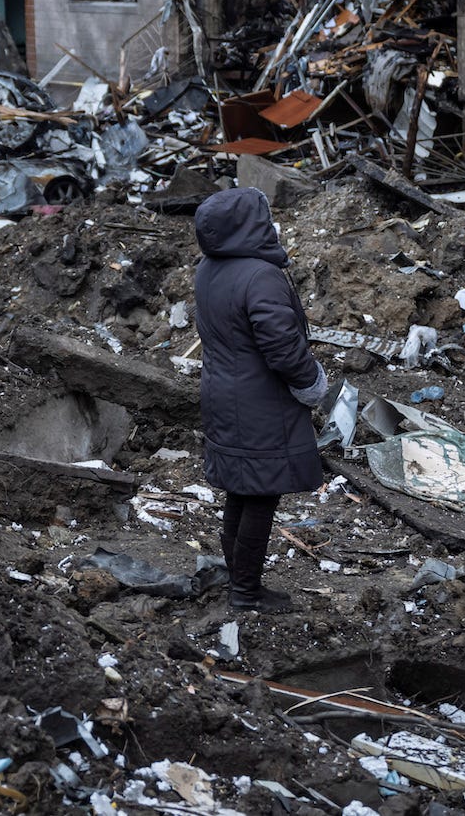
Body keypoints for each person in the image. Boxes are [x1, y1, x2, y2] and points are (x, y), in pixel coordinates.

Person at [192, 187, 327, 612]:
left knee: (241, 489)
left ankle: (239, 581)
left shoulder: (208, 269)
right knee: (262, 494)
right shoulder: (259, 275)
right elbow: (282, 346)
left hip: (221, 393)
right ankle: (246, 592)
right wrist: (312, 383)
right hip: (259, 401)